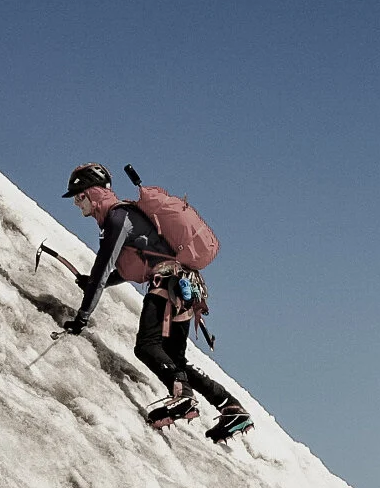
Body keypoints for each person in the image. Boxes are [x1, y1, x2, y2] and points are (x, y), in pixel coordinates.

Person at [60, 162, 252, 438]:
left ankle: (182, 395)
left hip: (167, 285)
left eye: (78, 197)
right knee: (174, 359)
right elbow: (131, 267)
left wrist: (82, 317)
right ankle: (230, 406)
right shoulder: (125, 217)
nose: (77, 204)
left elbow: (103, 268)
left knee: (147, 346)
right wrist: (94, 282)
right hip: (184, 288)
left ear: (92, 193)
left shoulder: (117, 218)